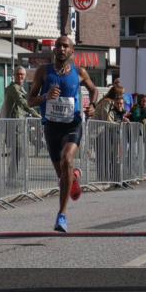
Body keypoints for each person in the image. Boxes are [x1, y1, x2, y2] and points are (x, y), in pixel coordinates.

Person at [27, 35, 99, 233]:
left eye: (65, 46)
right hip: (51, 127)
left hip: (72, 125)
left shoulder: (79, 72)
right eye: (58, 45)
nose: (61, 49)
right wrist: (45, 96)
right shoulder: (43, 72)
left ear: (72, 51)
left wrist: (92, 105)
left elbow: (94, 90)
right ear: (54, 50)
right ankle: (73, 176)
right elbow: (30, 100)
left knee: (67, 159)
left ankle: (62, 215)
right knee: (62, 176)